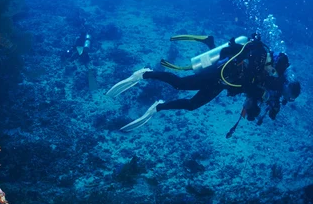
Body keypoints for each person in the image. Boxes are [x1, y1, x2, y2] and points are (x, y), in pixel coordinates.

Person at [106, 33, 300, 133]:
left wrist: (258, 107)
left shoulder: (269, 77)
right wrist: (259, 94)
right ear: (273, 64)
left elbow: (251, 93)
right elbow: (246, 82)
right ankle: (144, 74)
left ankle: (158, 107)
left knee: (191, 105)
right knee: (180, 84)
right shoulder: (259, 57)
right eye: (273, 70)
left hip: (221, 84)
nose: (272, 74)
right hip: (218, 75)